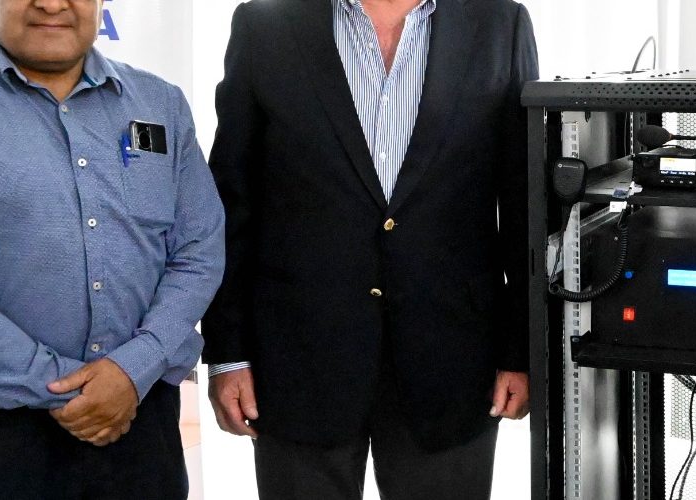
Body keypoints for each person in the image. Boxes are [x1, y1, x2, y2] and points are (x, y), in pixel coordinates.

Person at [0, 0, 225, 498]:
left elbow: (199, 250)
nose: (52, 4)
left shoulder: (160, 103)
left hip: (141, 421)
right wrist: (69, 388)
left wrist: (133, 368)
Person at [202, 0, 537, 497]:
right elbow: (231, 201)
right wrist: (228, 354)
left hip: (454, 364)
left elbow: (523, 200)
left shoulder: (499, 25)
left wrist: (522, 351)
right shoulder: (264, 25)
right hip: (298, 364)